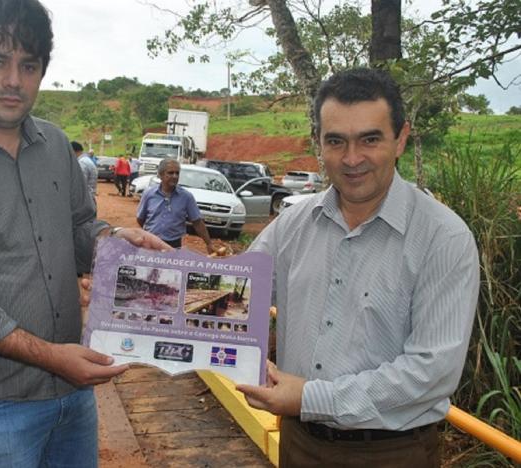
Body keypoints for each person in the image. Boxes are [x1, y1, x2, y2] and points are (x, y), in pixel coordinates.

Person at [0, 1, 167, 466]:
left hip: (72, 394)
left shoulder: (56, 145)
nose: (15, 81)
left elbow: (78, 226)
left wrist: (112, 242)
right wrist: (52, 357)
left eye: (29, 65)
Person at [236, 68, 480, 467]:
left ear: (401, 138)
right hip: (299, 443)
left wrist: (310, 397)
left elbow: (431, 373)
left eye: (370, 139)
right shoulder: (293, 225)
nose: (352, 159)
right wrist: (155, 263)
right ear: (319, 143)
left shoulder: (443, 238)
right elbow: (234, 293)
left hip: (391, 453)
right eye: (336, 141)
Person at [137, 158, 215, 254]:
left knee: (169, 269)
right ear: (160, 175)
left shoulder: (186, 197)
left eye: (177, 173)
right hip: (150, 243)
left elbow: (198, 222)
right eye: (170, 173)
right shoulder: (149, 194)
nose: (174, 176)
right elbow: (140, 218)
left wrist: (208, 243)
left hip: (173, 245)